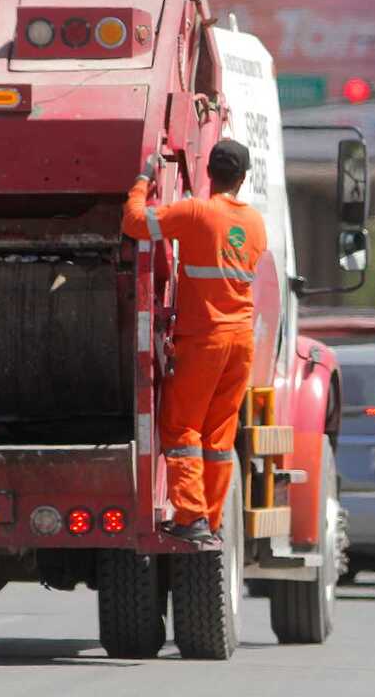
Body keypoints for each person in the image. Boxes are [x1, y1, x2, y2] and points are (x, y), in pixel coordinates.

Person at [121, 139, 267, 543]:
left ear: (209, 173)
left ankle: (191, 516)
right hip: (241, 341)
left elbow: (135, 223)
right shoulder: (255, 223)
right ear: (243, 178)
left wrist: (142, 180)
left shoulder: (197, 211)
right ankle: (211, 520)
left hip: (205, 340)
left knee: (182, 428)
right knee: (218, 436)